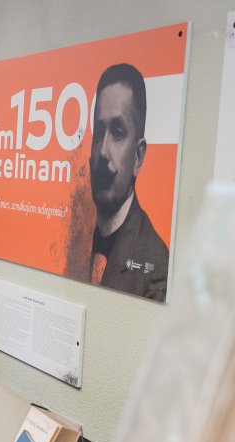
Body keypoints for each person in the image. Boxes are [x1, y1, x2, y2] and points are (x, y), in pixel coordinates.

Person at [88, 62, 168, 302]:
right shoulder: (74, 238)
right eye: (99, 132)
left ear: (138, 156)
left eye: (118, 133)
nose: (102, 151)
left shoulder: (157, 269)